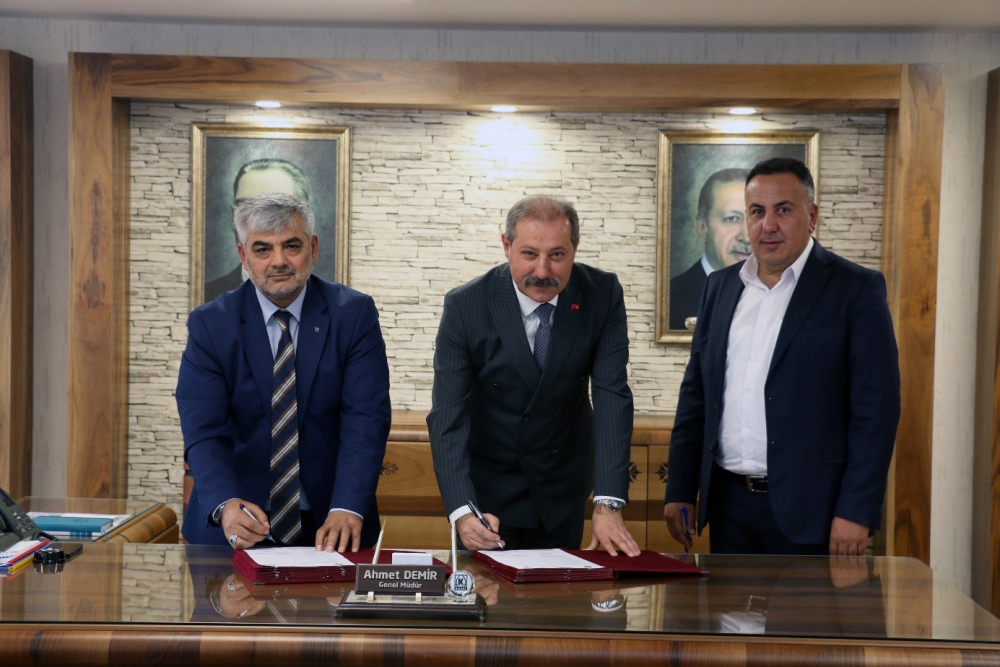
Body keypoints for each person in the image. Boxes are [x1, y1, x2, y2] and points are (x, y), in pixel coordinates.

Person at [664, 157, 900, 556]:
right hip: (728, 508)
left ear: (812, 217)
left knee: (810, 604)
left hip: (816, 513)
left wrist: (856, 510)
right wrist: (681, 489)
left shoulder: (856, 289)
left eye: (783, 210)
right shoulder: (720, 287)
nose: (768, 225)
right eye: (757, 211)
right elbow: (696, 396)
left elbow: (876, 411)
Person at [427, 195, 640, 556]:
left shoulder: (601, 294)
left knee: (560, 591)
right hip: (488, 492)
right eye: (529, 254)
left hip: (563, 485)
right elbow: (448, 414)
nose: (542, 271)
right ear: (506, 246)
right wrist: (463, 511)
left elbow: (612, 395)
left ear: (575, 248)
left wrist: (607, 503)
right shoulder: (466, 305)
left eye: (557, 255)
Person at [177, 192, 391, 552]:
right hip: (235, 525)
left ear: (313, 248)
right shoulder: (211, 324)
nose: (279, 261)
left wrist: (347, 506)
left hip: (333, 523)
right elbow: (204, 430)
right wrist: (225, 504)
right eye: (262, 249)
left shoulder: (354, 315)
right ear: (243, 256)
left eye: (291, 246)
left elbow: (366, 419)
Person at [204, 158, 310, 302]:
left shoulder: (335, 304)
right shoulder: (207, 298)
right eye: (244, 207)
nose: (256, 222)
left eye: (275, 208)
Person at [669, 168, 751, 330]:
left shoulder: (780, 293)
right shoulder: (672, 298)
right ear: (702, 227)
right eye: (732, 218)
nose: (746, 237)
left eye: (755, 217)